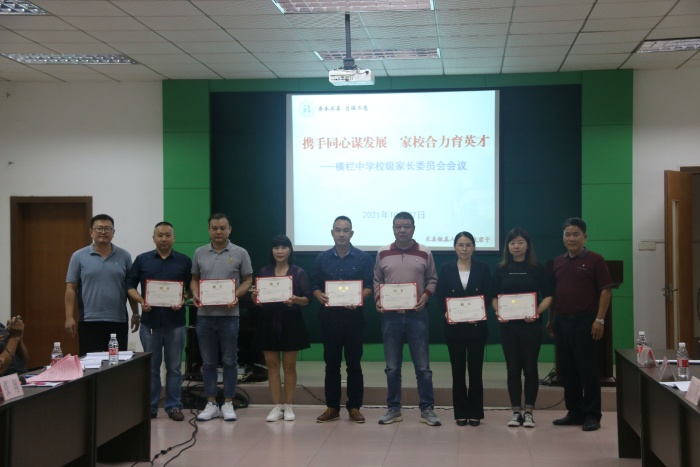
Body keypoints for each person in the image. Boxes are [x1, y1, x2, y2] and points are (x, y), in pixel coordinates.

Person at [373, 211, 440, 426]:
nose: (402, 230)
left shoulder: (425, 252)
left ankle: (427, 409)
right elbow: (377, 280)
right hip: (390, 317)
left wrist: (425, 296)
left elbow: (432, 279)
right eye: (398, 226)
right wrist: (378, 299)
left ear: (413, 228)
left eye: (406, 226)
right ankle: (394, 409)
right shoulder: (382, 252)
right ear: (393, 228)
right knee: (392, 367)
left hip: (417, 316)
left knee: (423, 368)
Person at [549, 217, 613, 432]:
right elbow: (554, 293)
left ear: (585, 237)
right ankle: (574, 412)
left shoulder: (595, 260)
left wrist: (599, 320)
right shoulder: (558, 261)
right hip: (562, 321)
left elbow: (606, 290)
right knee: (568, 370)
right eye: (567, 234)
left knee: (588, 371)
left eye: (576, 234)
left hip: (586, 322)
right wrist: (551, 320)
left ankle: (592, 415)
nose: (571, 238)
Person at [127, 222, 192, 422]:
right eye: (160, 235)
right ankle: (151, 407)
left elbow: (192, 288)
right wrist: (142, 301)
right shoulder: (142, 260)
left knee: (174, 368)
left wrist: (183, 298)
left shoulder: (184, 261)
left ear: (174, 237)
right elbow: (129, 286)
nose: (164, 239)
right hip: (150, 323)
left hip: (175, 323)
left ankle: (174, 406)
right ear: (153, 238)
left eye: (167, 235)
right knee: (152, 368)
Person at [311, 216, 374, 424]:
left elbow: (370, 286)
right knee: (331, 365)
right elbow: (314, 284)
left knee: (354, 364)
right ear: (332, 233)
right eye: (338, 230)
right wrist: (318, 295)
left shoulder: (363, 258)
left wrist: (358, 298)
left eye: (345, 230)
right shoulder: (322, 258)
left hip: (354, 318)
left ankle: (354, 407)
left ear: (351, 233)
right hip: (329, 319)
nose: (341, 234)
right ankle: (332, 408)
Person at [191, 213, 253, 422]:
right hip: (205, 316)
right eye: (215, 228)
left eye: (222, 228)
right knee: (208, 362)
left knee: (229, 361)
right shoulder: (199, 253)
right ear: (209, 230)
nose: (218, 232)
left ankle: (228, 402)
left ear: (229, 229)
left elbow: (248, 280)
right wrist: (195, 293)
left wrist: (236, 295)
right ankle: (211, 402)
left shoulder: (240, 252)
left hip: (229, 317)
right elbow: (194, 279)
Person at [491, 228, 553, 428]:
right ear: (507, 247)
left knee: (530, 368)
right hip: (508, 327)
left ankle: (529, 412)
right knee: (512, 369)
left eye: (520, 242)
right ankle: (515, 411)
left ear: (527, 245)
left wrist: (536, 312)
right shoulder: (501, 269)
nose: (516, 247)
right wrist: (499, 311)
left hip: (531, 327)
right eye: (512, 243)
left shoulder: (537, 268)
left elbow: (549, 296)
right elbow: (493, 296)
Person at [252, 235, 310, 422]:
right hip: (268, 322)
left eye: (284, 247)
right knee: (272, 366)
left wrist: (296, 299)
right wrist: (255, 298)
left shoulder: (298, 272)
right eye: (276, 247)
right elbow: (259, 301)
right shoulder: (264, 271)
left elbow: (307, 300)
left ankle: (289, 405)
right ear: (272, 251)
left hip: (291, 322)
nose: (280, 251)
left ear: (290, 250)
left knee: (290, 366)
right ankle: (277, 406)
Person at [436, 231, 491, 427]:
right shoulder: (446, 268)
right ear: (454, 247)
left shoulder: (483, 268)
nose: (464, 249)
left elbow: (488, 293)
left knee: (476, 372)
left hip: (477, 328)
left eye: (468, 245)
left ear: (474, 247)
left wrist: (480, 313)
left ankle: (475, 412)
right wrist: (447, 312)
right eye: (460, 245)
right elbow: (440, 294)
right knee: (458, 372)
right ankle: (460, 412)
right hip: (454, 328)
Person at [65, 214, 140, 355]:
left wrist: (136, 313)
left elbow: (130, 287)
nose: (103, 232)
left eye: (107, 229)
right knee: (90, 363)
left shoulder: (124, 256)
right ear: (91, 232)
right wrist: (69, 317)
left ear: (113, 232)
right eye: (99, 228)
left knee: (117, 363)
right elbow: (71, 288)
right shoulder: (78, 256)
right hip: (89, 320)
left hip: (118, 320)